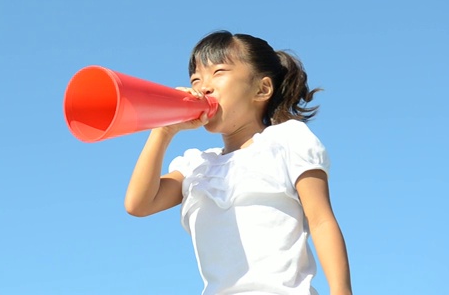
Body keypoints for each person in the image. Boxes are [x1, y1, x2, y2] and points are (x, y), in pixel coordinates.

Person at [124, 30, 352, 295]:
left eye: (218, 72)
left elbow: (321, 220)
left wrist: (341, 292)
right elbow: (138, 204)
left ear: (262, 89)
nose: (203, 86)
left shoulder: (287, 139)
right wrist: (163, 130)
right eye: (195, 78)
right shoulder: (195, 165)